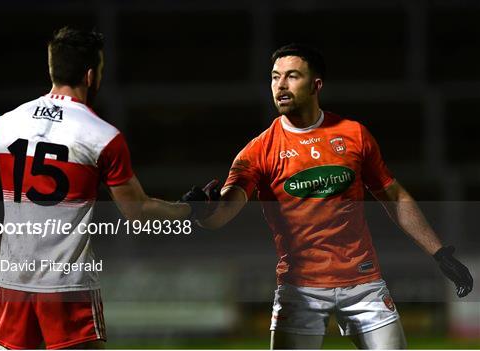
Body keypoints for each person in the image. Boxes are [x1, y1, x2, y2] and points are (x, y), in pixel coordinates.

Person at [190, 43, 473, 349]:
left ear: (316, 85)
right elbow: (223, 212)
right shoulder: (258, 151)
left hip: (364, 284)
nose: (281, 85)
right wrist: (203, 212)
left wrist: (439, 252)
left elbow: (393, 195)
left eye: (292, 76)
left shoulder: (354, 134)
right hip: (299, 289)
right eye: (274, 77)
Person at [0, 26, 195, 350]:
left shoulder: (5, 124)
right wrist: (189, 209)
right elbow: (137, 213)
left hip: (14, 289)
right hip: (68, 292)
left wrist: (0, 253)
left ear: (52, 68)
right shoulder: (101, 136)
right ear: (91, 74)